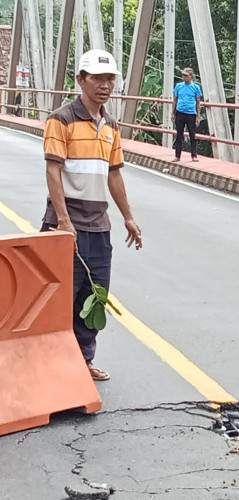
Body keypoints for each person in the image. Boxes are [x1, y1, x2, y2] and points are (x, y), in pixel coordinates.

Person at [41, 49, 143, 381]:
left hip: (99, 224)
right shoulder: (61, 119)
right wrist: (63, 221)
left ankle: (82, 362)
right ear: (80, 79)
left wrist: (128, 216)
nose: (105, 85)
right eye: (97, 78)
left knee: (94, 295)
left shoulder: (111, 126)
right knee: (59, 299)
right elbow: (53, 170)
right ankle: (52, 364)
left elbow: (114, 174)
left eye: (110, 79)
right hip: (66, 223)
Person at [171, 67, 202, 162]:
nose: (184, 77)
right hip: (180, 113)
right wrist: (173, 113)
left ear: (191, 76)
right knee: (179, 135)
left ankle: (194, 155)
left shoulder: (196, 87)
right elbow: (175, 100)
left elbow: (198, 102)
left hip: (191, 114)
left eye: (186, 75)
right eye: (183, 75)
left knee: (192, 135)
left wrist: (198, 115)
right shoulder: (179, 86)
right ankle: (177, 156)